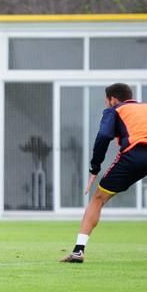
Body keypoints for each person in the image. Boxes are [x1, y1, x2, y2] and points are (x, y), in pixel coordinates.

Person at [61, 83, 147, 263]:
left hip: (134, 155)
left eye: (106, 101)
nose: (107, 105)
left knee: (98, 199)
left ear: (113, 99)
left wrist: (95, 168)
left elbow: (103, 136)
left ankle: (78, 250)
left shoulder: (115, 110)